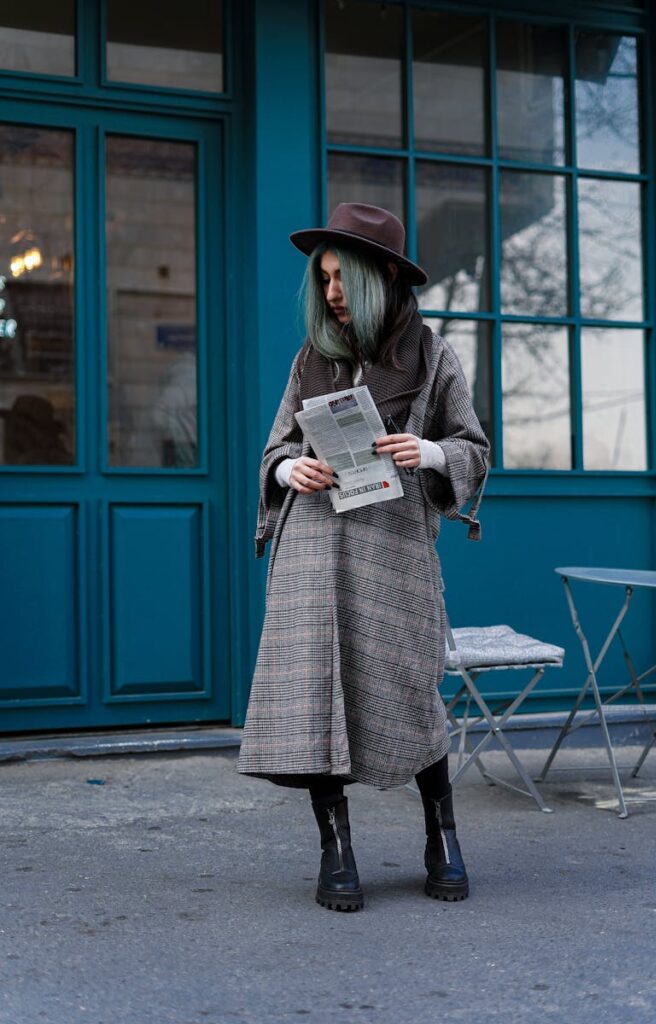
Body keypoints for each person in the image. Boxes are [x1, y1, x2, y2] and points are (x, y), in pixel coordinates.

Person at [237, 203, 490, 911]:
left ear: (382, 273)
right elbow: (278, 447)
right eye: (321, 279)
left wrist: (430, 450)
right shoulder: (308, 359)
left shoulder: (432, 354)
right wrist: (290, 472)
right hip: (313, 548)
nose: (330, 292)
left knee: (409, 688)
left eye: (341, 276)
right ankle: (335, 850)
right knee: (318, 692)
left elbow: (471, 446)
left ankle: (441, 834)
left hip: (394, 545)